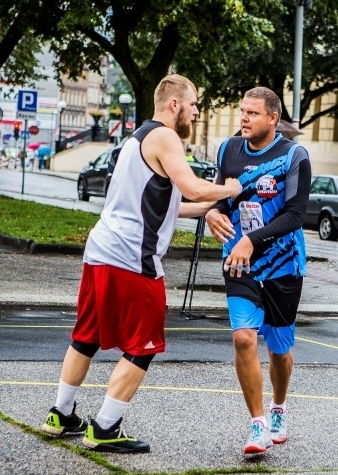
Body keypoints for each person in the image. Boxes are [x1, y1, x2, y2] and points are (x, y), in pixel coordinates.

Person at [40, 74, 242, 454]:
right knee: (144, 345)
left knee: (86, 336)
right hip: (132, 257)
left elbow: (170, 205)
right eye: (193, 104)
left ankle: (61, 414)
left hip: (101, 250)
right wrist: (230, 188)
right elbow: (193, 187)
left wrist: (210, 208)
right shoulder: (166, 137)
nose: (196, 112)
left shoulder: (137, 139)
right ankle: (105, 427)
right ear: (174, 104)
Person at [205, 87, 312, 455]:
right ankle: (258, 425)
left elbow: (296, 214)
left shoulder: (294, 155)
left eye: (252, 113)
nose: (244, 118)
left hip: (283, 264)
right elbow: (220, 197)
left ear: (272, 118)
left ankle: (278, 409)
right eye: (242, 111)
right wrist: (212, 213)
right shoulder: (228, 149)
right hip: (240, 261)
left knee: (279, 349)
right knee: (243, 338)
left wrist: (253, 239)